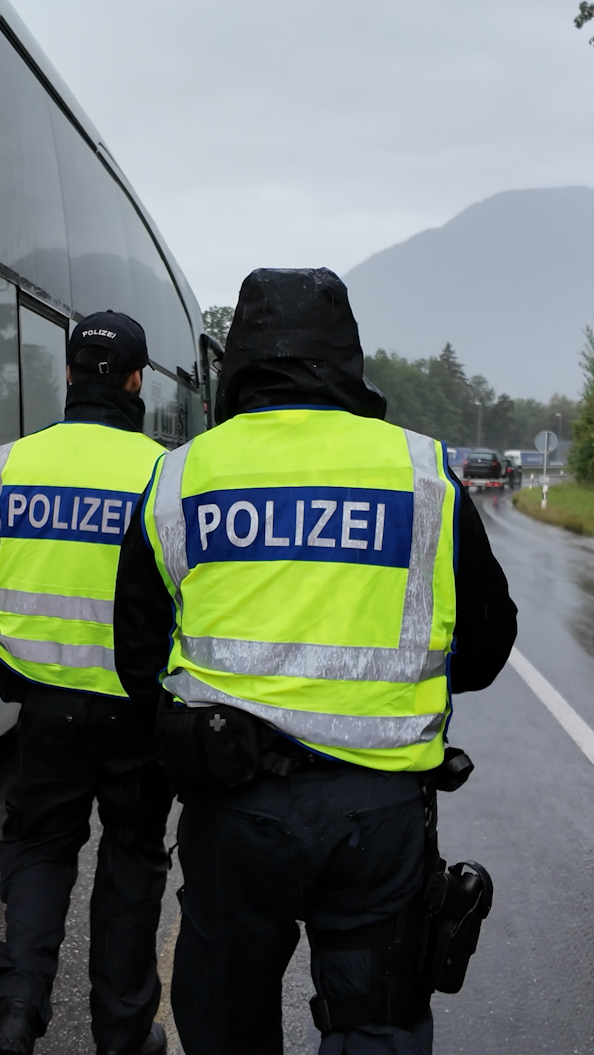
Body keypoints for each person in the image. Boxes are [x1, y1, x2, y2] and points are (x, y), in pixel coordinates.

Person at [112, 268, 517, 1055]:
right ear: (348, 358)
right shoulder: (422, 470)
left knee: (226, 1025)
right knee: (378, 1029)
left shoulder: (181, 473)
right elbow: (487, 645)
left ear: (238, 362)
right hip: (378, 815)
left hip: (231, 810)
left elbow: (136, 655)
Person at [0, 311, 174, 1055]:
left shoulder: (7, 465)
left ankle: (15, 1011)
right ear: (138, 381)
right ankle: (123, 1033)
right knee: (131, 865)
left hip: (44, 709)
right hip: (138, 713)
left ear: (70, 375)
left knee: (41, 850)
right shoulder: (164, 474)